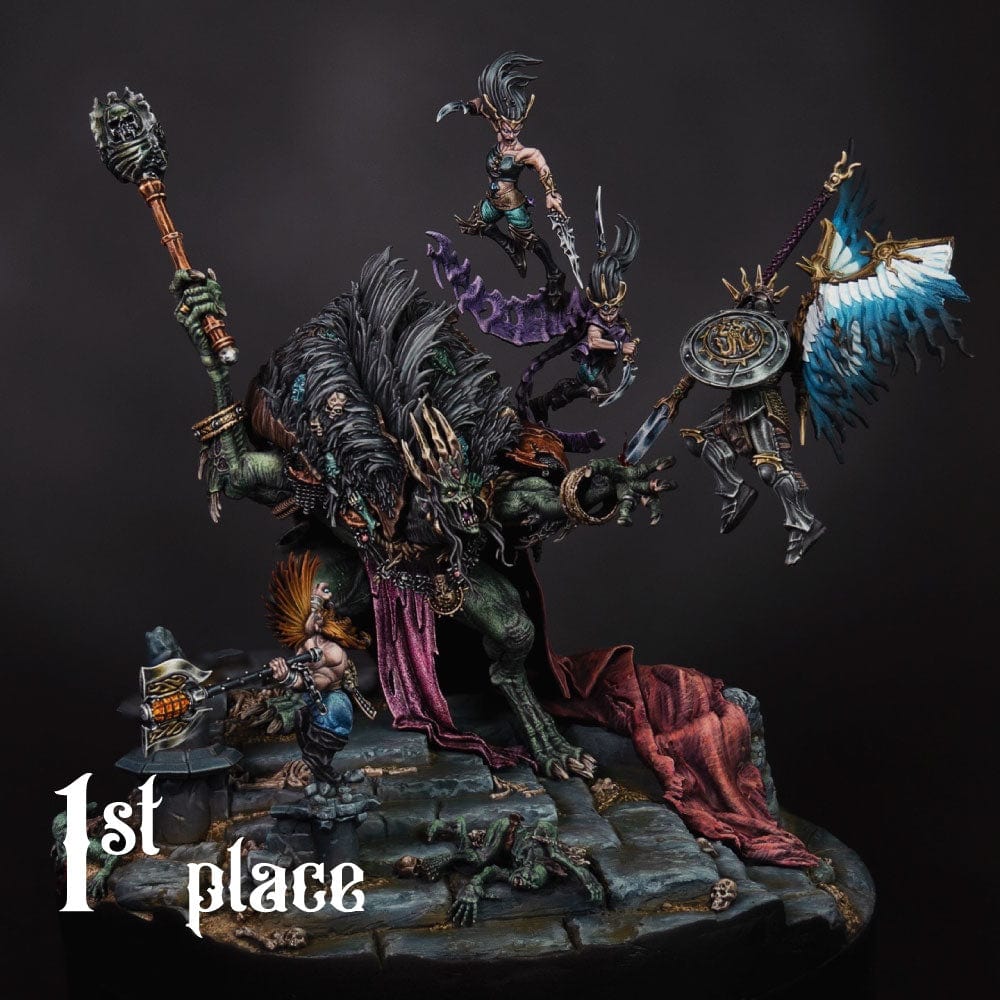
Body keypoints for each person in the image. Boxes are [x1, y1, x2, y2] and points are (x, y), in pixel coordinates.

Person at [437, 51, 568, 304]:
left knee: (530, 241)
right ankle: (511, 248)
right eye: (507, 127)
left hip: (512, 203)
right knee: (477, 225)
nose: (510, 132)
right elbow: (483, 107)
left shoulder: (523, 153)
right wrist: (464, 106)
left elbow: (541, 164)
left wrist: (551, 194)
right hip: (493, 200)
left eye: (515, 129)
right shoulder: (499, 129)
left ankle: (554, 273)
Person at [265, 553, 374, 783]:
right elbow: (304, 667)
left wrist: (288, 678)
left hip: (331, 703)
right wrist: (285, 676)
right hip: (310, 700)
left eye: (316, 615)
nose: (312, 620)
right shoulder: (306, 643)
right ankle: (316, 766)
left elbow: (317, 682)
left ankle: (320, 767)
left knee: (330, 721)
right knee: (297, 715)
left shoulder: (333, 653)